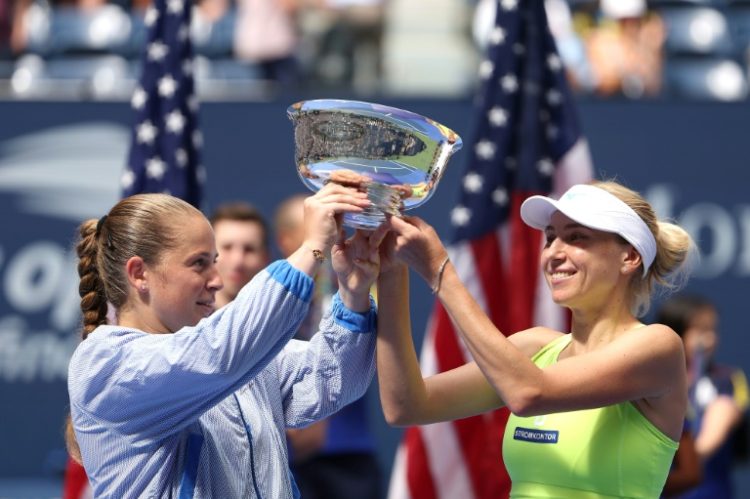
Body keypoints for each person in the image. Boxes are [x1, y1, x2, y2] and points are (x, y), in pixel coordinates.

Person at [376, 180, 695, 498]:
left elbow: (528, 393)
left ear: (629, 256)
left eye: (575, 237)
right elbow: (405, 406)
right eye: (551, 238)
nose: (554, 253)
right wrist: (390, 272)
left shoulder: (658, 346)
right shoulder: (534, 347)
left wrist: (441, 273)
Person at [66, 184, 384, 497]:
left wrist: (353, 293)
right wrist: (311, 248)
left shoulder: (236, 353)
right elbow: (214, 357)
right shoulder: (105, 363)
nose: (217, 281)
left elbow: (333, 379)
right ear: (139, 274)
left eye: (214, 261)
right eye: (199, 263)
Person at [274, 193, 382, 499]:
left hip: (349, 455)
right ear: (287, 239)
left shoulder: (355, 284)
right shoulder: (271, 298)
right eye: (317, 226)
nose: (333, 234)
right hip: (288, 456)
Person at [657, 295, 750, 499]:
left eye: (712, 330)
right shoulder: (652, 380)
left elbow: (702, 451)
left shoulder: (728, 380)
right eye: (699, 330)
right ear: (674, 331)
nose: (709, 339)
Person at [210, 201, 271, 309]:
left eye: (249, 249)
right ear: (207, 254)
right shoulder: (182, 323)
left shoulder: (280, 322)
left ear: (265, 258)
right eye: (227, 247)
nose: (237, 261)